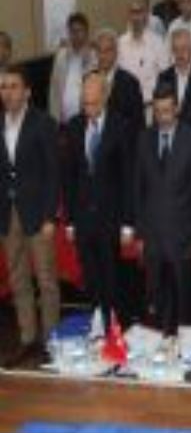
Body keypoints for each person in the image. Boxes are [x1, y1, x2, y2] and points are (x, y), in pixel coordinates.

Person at [63, 72, 133, 328]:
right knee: (91, 275)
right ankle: (97, 320)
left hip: (110, 218)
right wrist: (70, 220)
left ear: (105, 97)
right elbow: (69, 176)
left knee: (111, 275)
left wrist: (128, 223)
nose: (88, 109)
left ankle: (115, 324)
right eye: (85, 103)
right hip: (83, 218)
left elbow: (128, 178)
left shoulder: (121, 126)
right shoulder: (74, 126)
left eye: (93, 103)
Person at [0, 66, 60, 368]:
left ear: (27, 92)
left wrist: (50, 215)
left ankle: (50, 341)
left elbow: (53, 173)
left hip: (37, 213)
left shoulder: (43, 123)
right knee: (18, 278)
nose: (7, 92)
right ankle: (27, 338)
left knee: (46, 280)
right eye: (3, 87)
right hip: (7, 214)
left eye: (13, 86)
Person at [134, 82, 191, 337]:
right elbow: (138, 190)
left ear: (177, 108)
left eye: (167, 111)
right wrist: (140, 234)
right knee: (156, 300)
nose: (162, 117)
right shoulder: (144, 139)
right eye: (158, 111)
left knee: (183, 303)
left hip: (182, 238)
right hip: (153, 238)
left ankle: (184, 347)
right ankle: (160, 345)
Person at [118, 0, 170, 113]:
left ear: (146, 14)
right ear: (128, 14)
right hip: (126, 110)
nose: (136, 17)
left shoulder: (158, 43)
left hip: (150, 109)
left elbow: (166, 78)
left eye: (139, 12)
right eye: (133, 12)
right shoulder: (119, 43)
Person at [48, 12, 96, 125]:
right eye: (72, 31)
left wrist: (87, 59)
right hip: (63, 120)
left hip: (86, 119)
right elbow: (54, 90)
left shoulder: (94, 57)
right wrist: (53, 118)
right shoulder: (61, 56)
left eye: (80, 31)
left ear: (87, 33)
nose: (76, 35)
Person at [94, 29, 146, 133]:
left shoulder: (130, 83)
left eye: (108, 50)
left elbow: (138, 123)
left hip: (121, 140)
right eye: (100, 50)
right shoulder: (88, 79)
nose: (103, 56)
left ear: (116, 53)